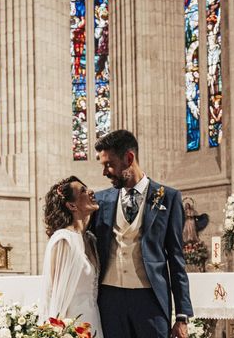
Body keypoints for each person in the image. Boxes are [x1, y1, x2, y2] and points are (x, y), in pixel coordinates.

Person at [91, 129, 193, 338]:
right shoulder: (100, 201)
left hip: (151, 300)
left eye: (109, 164)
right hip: (110, 299)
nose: (105, 172)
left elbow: (176, 259)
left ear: (129, 158)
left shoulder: (169, 198)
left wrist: (182, 316)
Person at [40, 176, 102, 337]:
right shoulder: (63, 239)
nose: (91, 192)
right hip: (72, 326)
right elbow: (56, 295)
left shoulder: (90, 239)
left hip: (93, 321)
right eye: (83, 191)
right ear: (71, 205)